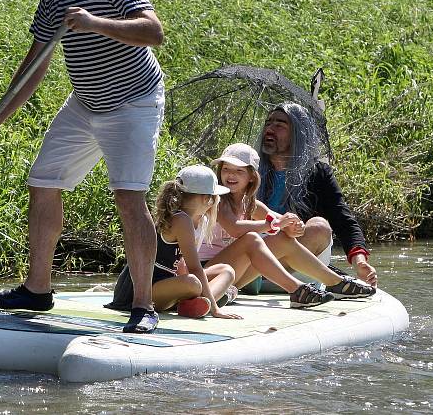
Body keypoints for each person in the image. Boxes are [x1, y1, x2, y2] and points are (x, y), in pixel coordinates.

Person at [0, 0, 166, 333]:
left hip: (134, 102)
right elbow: (35, 64)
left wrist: (95, 23)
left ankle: (144, 305)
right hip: (85, 103)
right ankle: (37, 290)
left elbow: (153, 32)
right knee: (43, 182)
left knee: (129, 198)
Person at [206, 143, 375, 299]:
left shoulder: (251, 204)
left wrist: (294, 225)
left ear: (251, 177)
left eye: (239, 171)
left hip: (236, 275)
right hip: (210, 271)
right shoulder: (217, 199)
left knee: (283, 239)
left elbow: (278, 219)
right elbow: (235, 228)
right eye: (226, 169)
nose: (230, 175)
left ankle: (335, 283)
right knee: (252, 239)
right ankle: (300, 288)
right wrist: (273, 224)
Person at [258, 103, 378, 286]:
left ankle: (264, 275)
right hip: (256, 254)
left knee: (319, 228)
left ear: (298, 134)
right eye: (268, 123)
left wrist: (359, 261)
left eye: (279, 125)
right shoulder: (251, 171)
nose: (269, 129)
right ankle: (254, 275)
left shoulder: (317, 173)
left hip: (294, 260)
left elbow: (343, 220)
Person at [107, 165, 243, 319]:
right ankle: (204, 303)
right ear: (207, 199)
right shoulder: (181, 219)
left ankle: (196, 303)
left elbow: (182, 264)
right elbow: (195, 268)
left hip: (165, 283)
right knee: (193, 282)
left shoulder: (193, 219)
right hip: (141, 290)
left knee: (226, 270)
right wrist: (216, 310)